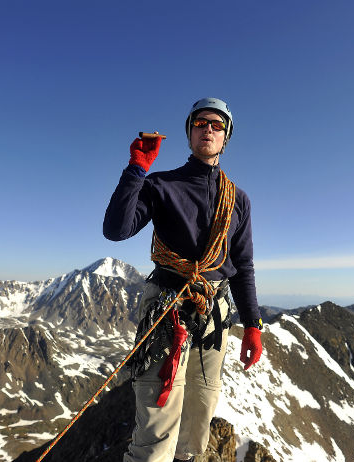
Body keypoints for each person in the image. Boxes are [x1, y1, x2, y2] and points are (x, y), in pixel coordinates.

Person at [103, 97, 263, 462]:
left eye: (217, 125)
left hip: (213, 313)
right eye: (200, 123)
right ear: (189, 134)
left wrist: (253, 326)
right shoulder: (161, 185)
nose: (208, 129)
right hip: (167, 308)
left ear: (226, 138)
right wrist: (137, 169)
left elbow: (243, 265)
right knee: (156, 429)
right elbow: (116, 229)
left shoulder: (238, 200)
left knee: (198, 421)